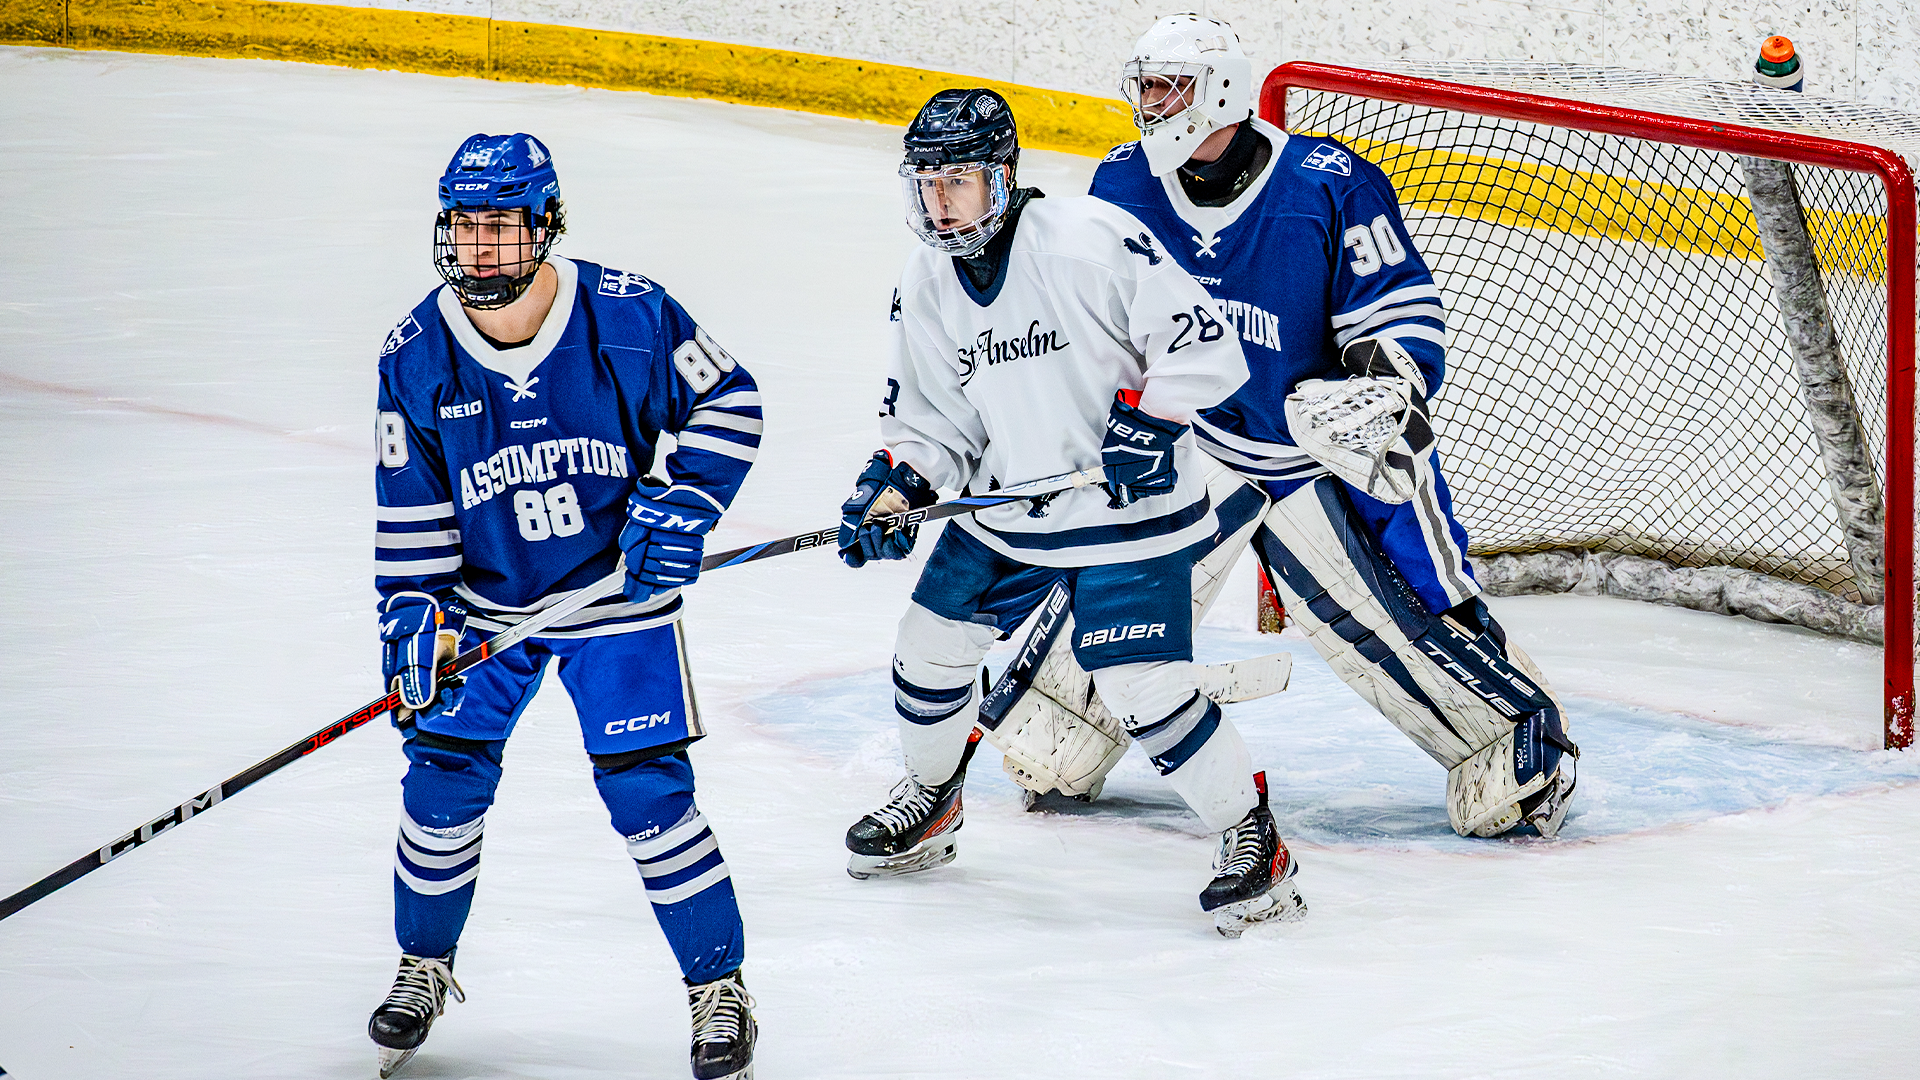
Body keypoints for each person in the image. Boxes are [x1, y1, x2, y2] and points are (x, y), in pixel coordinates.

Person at [1064, 13, 1579, 839]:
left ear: (1222, 92)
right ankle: (1066, 716)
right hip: (1196, 451)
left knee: (1417, 621)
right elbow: (1097, 328)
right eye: (1146, 86)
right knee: (1061, 721)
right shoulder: (1121, 184)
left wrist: (1378, 384)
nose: (1152, 104)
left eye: (1171, 87)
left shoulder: (1327, 185)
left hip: (1315, 461)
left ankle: (1520, 744)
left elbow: (1403, 314)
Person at [837, 87, 1306, 936]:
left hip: (1131, 509)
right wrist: (900, 485)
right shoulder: (927, 281)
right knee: (928, 645)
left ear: (1004, 178)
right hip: (1011, 509)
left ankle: (1250, 836)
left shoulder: (1090, 241)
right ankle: (932, 799)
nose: (941, 205)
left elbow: (1206, 346)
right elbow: (935, 423)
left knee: (1142, 686)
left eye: (960, 183)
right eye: (928, 185)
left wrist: (1153, 415)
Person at [368, 132, 760, 1080]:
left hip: (616, 598)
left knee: (647, 793)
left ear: (547, 226)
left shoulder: (629, 314)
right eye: (463, 227)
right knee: (441, 782)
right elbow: (410, 509)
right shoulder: (416, 355)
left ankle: (719, 990)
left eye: (500, 226)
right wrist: (413, 614)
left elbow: (732, 402)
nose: (478, 248)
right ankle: (424, 964)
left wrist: (684, 505)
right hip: (485, 606)